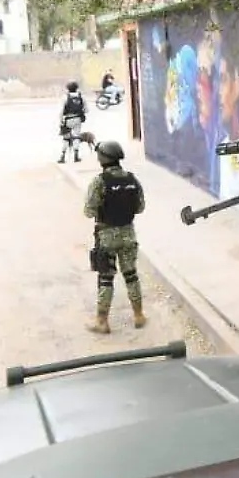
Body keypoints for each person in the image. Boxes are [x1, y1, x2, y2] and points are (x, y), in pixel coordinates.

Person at [83, 140, 146, 333]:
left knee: (106, 278)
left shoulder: (99, 182)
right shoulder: (132, 179)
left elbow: (88, 211)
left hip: (107, 236)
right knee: (131, 275)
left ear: (102, 158)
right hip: (128, 234)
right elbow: (140, 207)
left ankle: (102, 321)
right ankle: (138, 315)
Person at [58, 81, 88, 163]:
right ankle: (76, 155)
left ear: (67, 89)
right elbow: (86, 110)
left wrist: (60, 121)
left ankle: (63, 156)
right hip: (78, 119)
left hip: (67, 119)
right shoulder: (81, 97)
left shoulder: (65, 97)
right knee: (76, 137)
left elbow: (60, 111)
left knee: (66, 138)